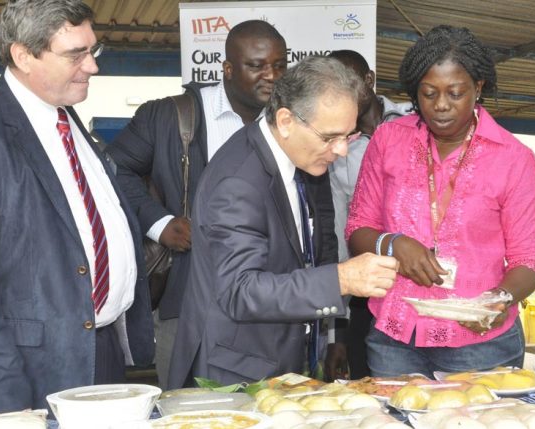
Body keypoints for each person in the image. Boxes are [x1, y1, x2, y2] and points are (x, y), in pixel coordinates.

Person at [0, 0, 153, 419]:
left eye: (93, 50)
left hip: (100, 357)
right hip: (28, 377)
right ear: (22, 55)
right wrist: (10, 405)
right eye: (74, 55)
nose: (92, 67)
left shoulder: (67, 121)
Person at [167, 56, 400, 389]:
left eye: (348, 136)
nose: (342, 151)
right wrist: (341, 279)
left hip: (287, 357)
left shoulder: (304, 160)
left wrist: (332, 334)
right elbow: (240, 290)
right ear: (287, 120)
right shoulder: (238, 183)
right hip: (240, 373)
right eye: (330, 137)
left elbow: (313, 252)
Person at [347, 25, 535, 377]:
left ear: (478, 88)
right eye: (428, 93)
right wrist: (391, 243)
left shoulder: (514, 158)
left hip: (479, 344)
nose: (440, 105)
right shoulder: (389, 140)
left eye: (455, 93)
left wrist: (500, 299)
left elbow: (529, 257)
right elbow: (357, 230)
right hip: (394, 336)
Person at [105, 20, 288, 385]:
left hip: (269, 302)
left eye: (280, 66)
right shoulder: (169, 116)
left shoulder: (291, 121)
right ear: (228, 68)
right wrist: (159, 223)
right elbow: (112, 168)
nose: (271, 76)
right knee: (186, 409)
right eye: (256, 66)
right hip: (186, 295)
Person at [325, 49, 413, 381]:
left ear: (370, 80)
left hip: (430, 291)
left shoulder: (414, 120)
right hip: (372, 296)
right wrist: (338, 334)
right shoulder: (337, 150)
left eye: (350, 83)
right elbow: (337, 239)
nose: (343, 94)